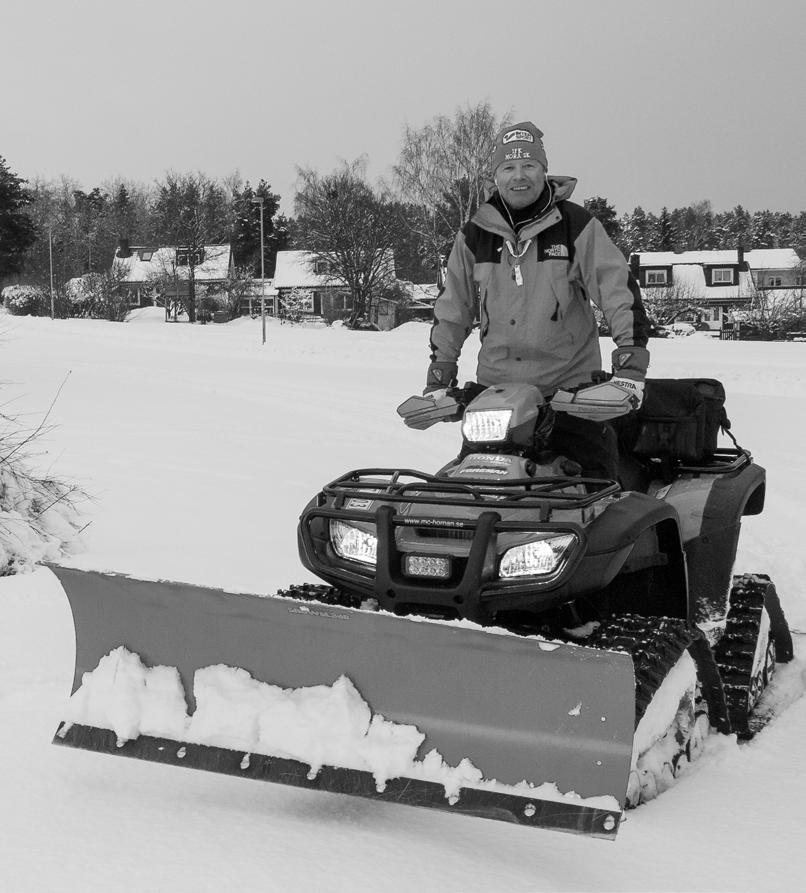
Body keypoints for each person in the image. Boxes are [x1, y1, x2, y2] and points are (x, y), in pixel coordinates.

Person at [424, 121, 650, 479]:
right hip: (496, 398)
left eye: (529, 166)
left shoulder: (576, 225)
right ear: (495, 177)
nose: (519, 176)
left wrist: (631, 362)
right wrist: (440, 374)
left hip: (571, 395)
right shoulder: (473, 236)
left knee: (597, 500)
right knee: (473, 490)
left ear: (544, 172)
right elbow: (453, 306)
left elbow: (616, 290)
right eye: (508, 167)